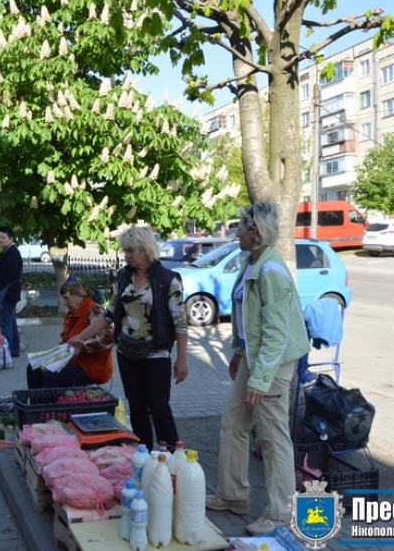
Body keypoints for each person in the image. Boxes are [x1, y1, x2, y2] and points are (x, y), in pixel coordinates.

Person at [206, 202, 310, 536]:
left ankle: (281, 512)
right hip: (255, 360)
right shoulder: (253, 262)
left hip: (274, 366)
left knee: (272, 438)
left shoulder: (271, 271)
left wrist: (261, 378)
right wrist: (238, 351)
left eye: (240, 227)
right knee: (233, 425)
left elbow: (277, 333)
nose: (236, 231)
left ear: (256, 231)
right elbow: (247, 315)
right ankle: (234, 496)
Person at [67, 226, 188, 451]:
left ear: (145, 249)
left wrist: (182, 359)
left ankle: (172, 454)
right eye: (125, 251)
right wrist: (79, 338)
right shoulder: (124, 276)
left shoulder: (168, 280)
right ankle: (143, 453)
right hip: (127, 352)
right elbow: (108, 314)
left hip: (156, 353)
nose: (126, 255)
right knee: (137, 407)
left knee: (159, 407)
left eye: (130, 250)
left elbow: (180, 323)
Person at [27, 276, 114, 389]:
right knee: (33, 367)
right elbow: (66, 344)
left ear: (79, 295)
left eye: (67, 298)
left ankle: (51, 405)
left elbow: (108, 338)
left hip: (93, 367)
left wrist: (82, 346)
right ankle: (37, 405)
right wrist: (52, 358)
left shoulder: (94, 309)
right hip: (74, 362)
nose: (65, 303)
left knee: (52, 376)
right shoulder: (72, 315)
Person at [0, 227, 23, 358]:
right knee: (11, 321)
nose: (0, 240)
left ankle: (6, 351)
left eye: (3, 237)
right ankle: (14, 350)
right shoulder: (6, 251)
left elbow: (8, 274)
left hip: (7, 293)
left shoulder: (12, 253)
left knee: (5, 323)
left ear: (11, 238)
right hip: (7, 292)